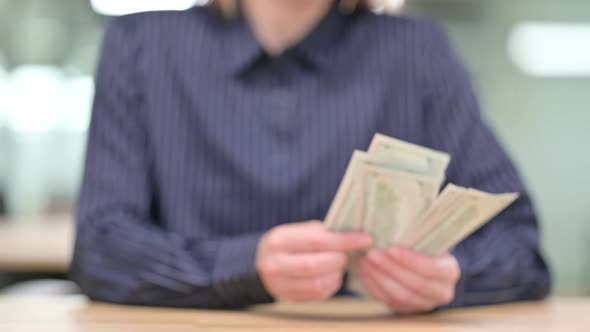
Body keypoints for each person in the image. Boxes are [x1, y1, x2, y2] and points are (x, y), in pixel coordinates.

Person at [70, 0, 551, 312]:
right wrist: (246, 264)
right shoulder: (140, 46)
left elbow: (521, 251)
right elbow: (101, 249)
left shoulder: (418, 53)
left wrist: (452, 277)